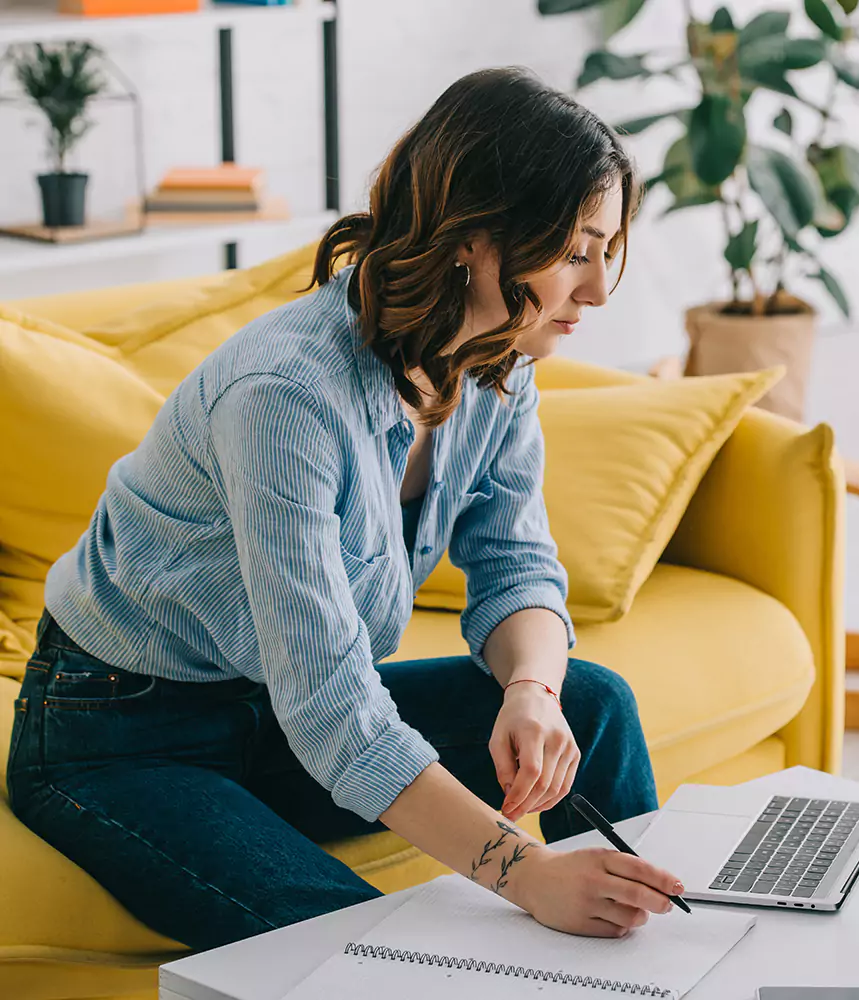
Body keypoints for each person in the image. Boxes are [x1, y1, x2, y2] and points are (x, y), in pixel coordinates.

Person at [6, 66, 683, 952]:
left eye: (605, 252)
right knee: (360, 954)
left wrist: (531, 689)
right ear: (476, 239)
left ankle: (656, 945)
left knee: (588, 703)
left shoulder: (496, 363)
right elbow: (334, 710)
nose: (596, 291)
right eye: (575, 253)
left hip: (272, 717)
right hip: (122, 735)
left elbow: (516, 563)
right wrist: (527, 873)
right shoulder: (287, 394)